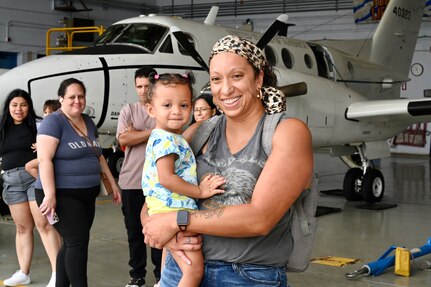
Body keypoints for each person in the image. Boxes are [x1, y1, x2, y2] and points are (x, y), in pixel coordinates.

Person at [141, 35, 314, 287]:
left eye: (236, 76)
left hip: (247, 276)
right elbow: (153, 197)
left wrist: (176, 220)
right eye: (216, 79)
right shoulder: (198, 133)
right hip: (182, 268)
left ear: (259, 78)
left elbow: (260, 218)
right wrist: (160, 232)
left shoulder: (286, 132)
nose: (225, 89)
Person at [35, 78, 121, 287]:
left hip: (87, 194)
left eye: (80, 96)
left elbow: (99, 155)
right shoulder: (53, 122)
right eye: (72, 97)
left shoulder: (88, 121)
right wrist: (50, 194)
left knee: (72, 244)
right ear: (61, 99)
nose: (77, 101)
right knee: (77, 243)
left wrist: (113, 184)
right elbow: (44, 159)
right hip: (61, 194)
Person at [142, 72, 225, 287]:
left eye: (184, 105)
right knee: (194, 271)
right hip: (171, 210)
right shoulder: (167, 141)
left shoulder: (168, 137)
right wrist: (201, 191)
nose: (177, 111)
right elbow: (167, 178)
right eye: (167, 105)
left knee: (172, 261)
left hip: (165, 208)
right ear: (151, 109)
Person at [0, 89, 61, 287]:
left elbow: (53, 151)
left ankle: (58, 273)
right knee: (22, 228)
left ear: (29, 106)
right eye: (14, 105)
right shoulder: (2, 128)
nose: (19, 109)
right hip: (10, 182)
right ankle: (23, 272)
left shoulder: (39, 126)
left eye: (23, 105)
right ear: (8, 107)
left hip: (34, 179)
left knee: (44, 225)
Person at [116, 66, 163, 287]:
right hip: (131, 181)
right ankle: (137, 276)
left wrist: (137, 133)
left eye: (147, 85)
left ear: (155, 84)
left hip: (159, 182)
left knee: (159, 233)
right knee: (134, 232)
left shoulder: (163, 108)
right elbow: (124, 139)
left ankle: (162, 275)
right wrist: (152, 132)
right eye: (139, 86)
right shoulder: (129, 109)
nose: (143, 90)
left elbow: (169, 133)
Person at [25, 99, 61, 179]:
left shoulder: (56, 126)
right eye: (45, 112)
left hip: (54, 156)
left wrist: (41, 145)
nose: (47, 115)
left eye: (51, 112)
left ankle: (42, 183)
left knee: (29, 166)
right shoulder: (43, 126)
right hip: (46, 156)